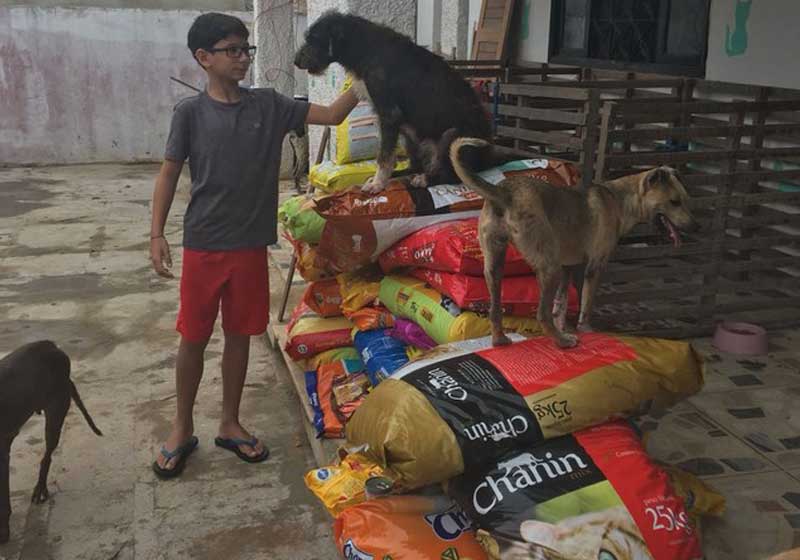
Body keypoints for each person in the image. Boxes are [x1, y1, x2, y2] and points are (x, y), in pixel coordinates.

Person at [149, 12, 358, 478]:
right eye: (233, 50)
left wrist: (368, 79)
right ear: (203, 58)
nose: (244, 58)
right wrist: (157, 233)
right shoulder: (190, 113)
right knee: (194, 338)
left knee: (241, 335)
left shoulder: (270, 105)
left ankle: (230, 422)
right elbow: (168, 173)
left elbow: (332, 115)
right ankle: (181, 427)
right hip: (204, 245)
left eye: (247, 49)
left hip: (249, 247)